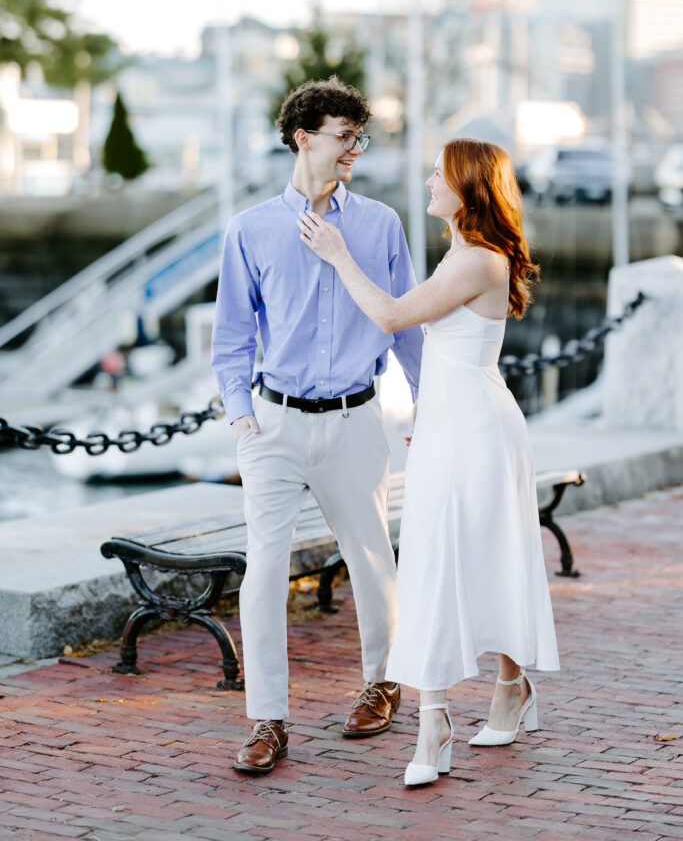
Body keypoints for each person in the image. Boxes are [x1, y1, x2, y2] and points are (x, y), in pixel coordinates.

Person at [298, 137, 560, 787]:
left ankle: (445, 717)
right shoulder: (460, 255)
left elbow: (390, 316)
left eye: (436, 175)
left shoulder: (476, 261)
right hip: (449, 428)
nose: (425, 183)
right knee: (444, 564)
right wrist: (424, 419)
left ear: (467, 188)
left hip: (478, 432)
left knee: (457, 565)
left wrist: (337, 255)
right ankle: (488, 694)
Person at [211, 77, 424, 774]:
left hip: (357, 418)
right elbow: (232, 338)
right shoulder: (249, 229)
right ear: (303, 137)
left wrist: (425, 410)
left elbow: (407, 330)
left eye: (358, 140)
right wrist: (242, 419)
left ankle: (381, 681)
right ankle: (267, 720)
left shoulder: (380, 224)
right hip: (274, 425)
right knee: (264, 569)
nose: (352, 151)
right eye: (342, 137)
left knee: (370, 557)